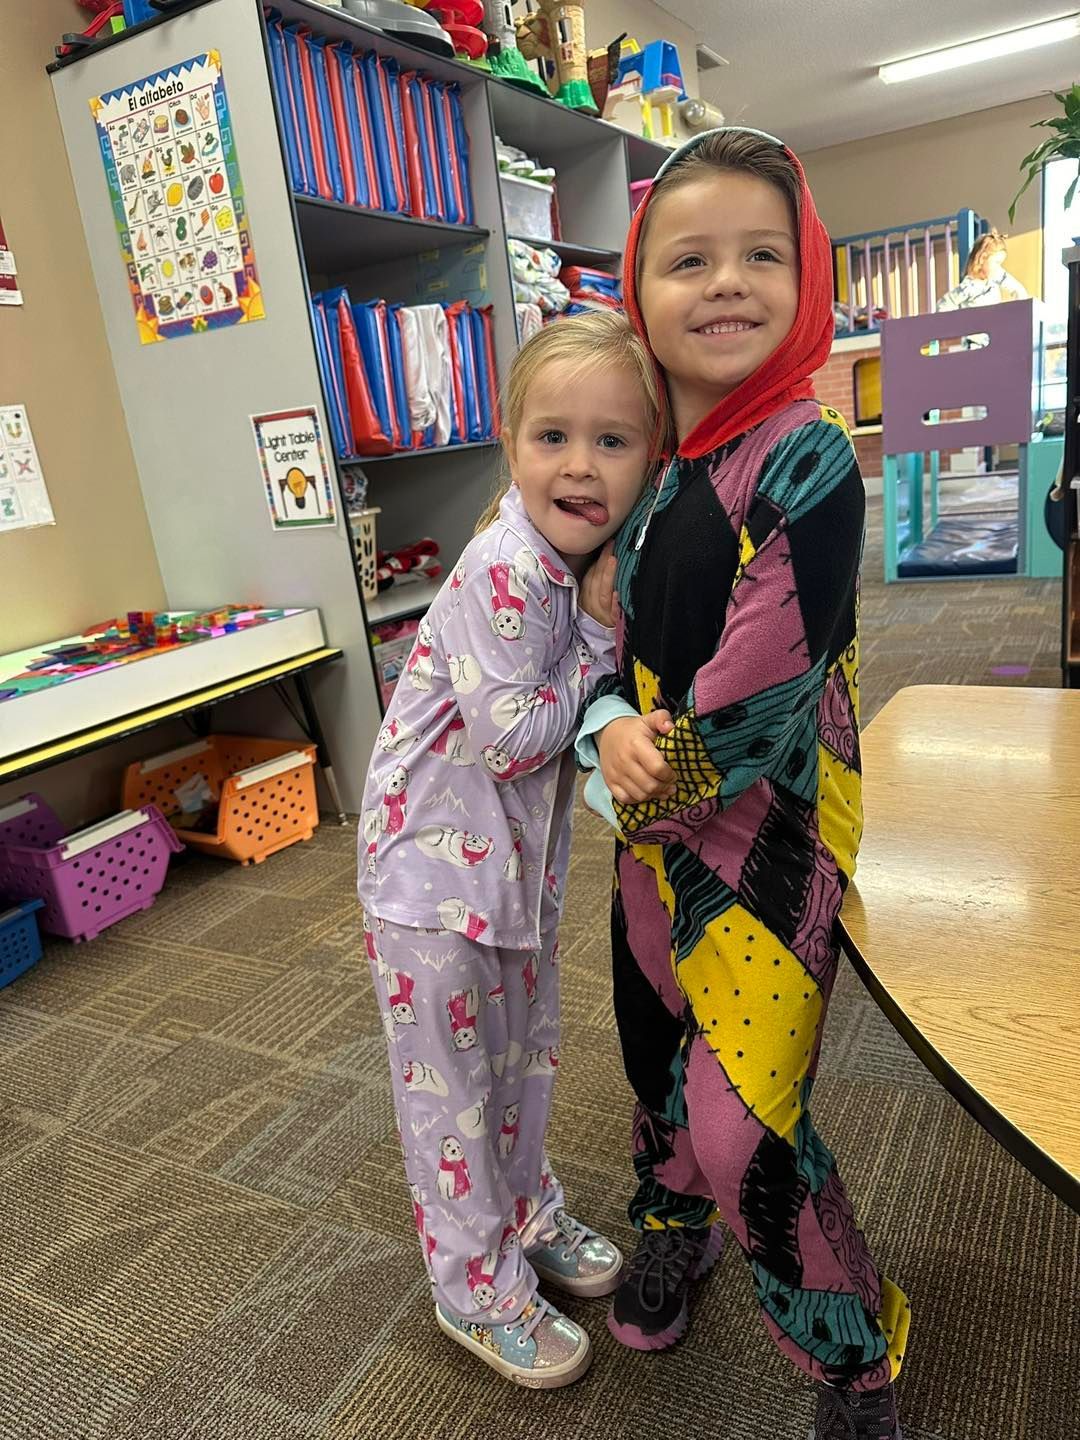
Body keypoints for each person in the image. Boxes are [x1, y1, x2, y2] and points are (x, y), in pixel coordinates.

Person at [576, 129, 910, 1440]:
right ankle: (671, 1227)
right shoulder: (649, 461)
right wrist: (598, 713)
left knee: (747, 1131)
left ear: (809, 273)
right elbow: (587, 641)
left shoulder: (809, 457)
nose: (724, 284)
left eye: (762, 256)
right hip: (648, 835)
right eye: (687, 259)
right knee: (655, 1059)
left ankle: (852, 1357)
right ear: (637, 291)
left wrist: (607, 761)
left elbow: (763, 710)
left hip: (766, 839)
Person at [357, 310, 660, 1390]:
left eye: (614, 441)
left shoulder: (565, 561)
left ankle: (525, 1214)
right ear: (512, 445)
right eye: (552, 438)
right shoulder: (507, 567)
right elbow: (515, 734)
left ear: (652, 457)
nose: (581, 464)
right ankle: (471, 1285)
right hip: (427, 890)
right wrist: (594, 645)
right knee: (453, 1094)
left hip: (506, 883)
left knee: (523, 1062)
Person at [937, 227, 1029, 313]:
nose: (999, 268)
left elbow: (1018, 290)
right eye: (997, 262)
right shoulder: (969, 287)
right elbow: (944, 305)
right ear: (982, 259)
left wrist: (1020, 312)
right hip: (975, 328)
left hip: (993, 327)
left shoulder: (995, 278)